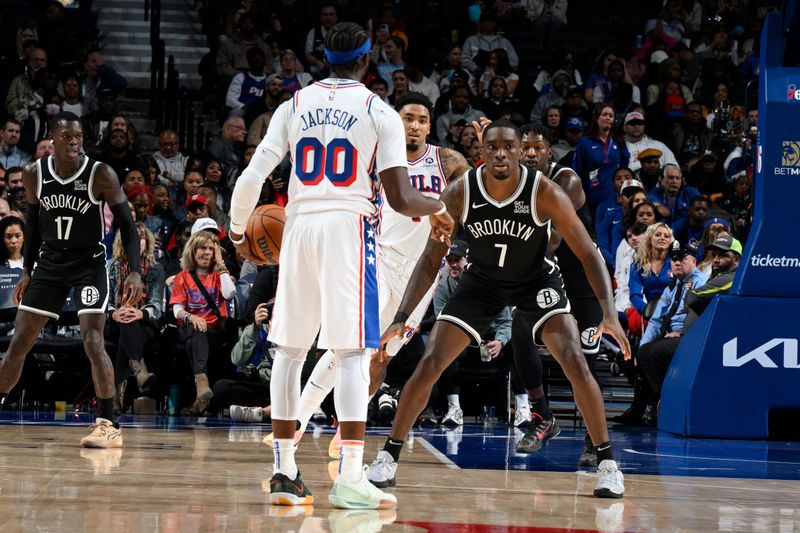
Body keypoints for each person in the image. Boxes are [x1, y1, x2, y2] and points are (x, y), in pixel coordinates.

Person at [227, 23, 454, 509]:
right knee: (353, 353)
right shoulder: (379, 111)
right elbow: (400, 195)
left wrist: (238, 231)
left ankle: (284, 471)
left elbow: (252, 176)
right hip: (348, 225)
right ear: (368, 62)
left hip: (299, 223)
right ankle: (350, 474)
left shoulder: (293, 105)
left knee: (288, 352)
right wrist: (438, 209)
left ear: (322, 57)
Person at [367, 120, 629, 499]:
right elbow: (430, 260)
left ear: (521, 151)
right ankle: (389, 456)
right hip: (483, 283)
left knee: (574, 358)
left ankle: (607, 463)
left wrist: (609, 313)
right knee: (431, 361)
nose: (501, 154)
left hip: (536, 279)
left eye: (509, 146)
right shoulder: (460, 192)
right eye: (493, 148)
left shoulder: (545, 191)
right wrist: (401, 318)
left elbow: (588, 252)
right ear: (481, 152)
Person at [0, 112, 143, 447]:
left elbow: (126, 224)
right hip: (50, 263)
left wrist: (134, 268)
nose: (75, 143)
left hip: (88, 264)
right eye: (67, 137)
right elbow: (33, 225)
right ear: (52, 139)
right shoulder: (35, 174)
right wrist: (26, 269)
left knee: (93, 340)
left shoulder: (100, 173)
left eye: (79, 137)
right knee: (20, 340)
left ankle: (109, 424)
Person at [509, 124, 605, 464]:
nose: (531, 153)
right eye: (525, 148)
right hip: (547, 278)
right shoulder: (514, 186)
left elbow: (551, 237)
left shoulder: (568, 181)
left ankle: (595, 441)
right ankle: (542, 415)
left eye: (538, 147)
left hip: (584, 283)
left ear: (550, 152)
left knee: (584, 363)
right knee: (519, 330)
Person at [637, 241, 707, 424]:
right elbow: (656, 319)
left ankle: (662, 401)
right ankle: (643, 407)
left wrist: (683, 334)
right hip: (669, 335)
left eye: (682, 258)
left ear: (693, 261)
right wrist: (643, 344)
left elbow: (699, 314)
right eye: (673, 259)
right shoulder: (673, 285)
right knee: (632, 355)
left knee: (650, 353)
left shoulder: (700, 282)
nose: (676, 262)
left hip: (689, 338)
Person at [169, 230, 235, 415]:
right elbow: (177, 310)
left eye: (211, 249)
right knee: (195, 331)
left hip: (215, 331)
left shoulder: (219, 275)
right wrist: (193, 317)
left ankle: (201, 390)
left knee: (195, 338)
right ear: (192, 250)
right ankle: (202, 385)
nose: (207, 253)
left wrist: (221, 265)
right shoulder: (183, 276)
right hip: (191, 327)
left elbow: (230, 293)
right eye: (202, 248)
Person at [108, 223, 165, 413]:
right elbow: (103, 301)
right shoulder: (110, 267)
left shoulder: (156, 269)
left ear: (147, 242)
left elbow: (157, 305)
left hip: (144, 322)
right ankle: (140, 372)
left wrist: (140, 313)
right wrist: (114, 313)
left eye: (141, 238)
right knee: (125, 319)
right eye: (131, 237)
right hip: (113, 321)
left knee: (130, 320)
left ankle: (117, 398)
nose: (136, 242)